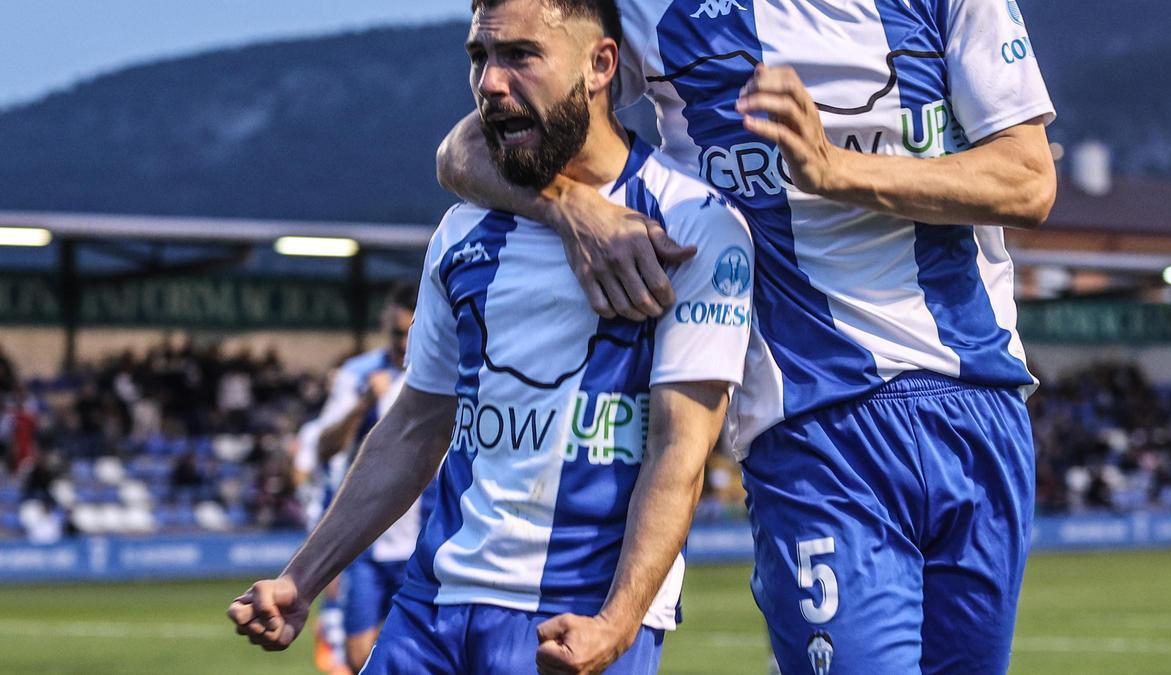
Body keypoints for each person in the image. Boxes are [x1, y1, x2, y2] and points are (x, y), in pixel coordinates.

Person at [437, 0, 1058, 672]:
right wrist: (571, 209)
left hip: (980, 406)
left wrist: (834, 171)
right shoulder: (654, 11)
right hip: (813, 424)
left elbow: (1027, 180)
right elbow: (465, 149)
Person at [228, 0, 755, 673]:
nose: (491, 84)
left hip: (569, 620)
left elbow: (679, 449)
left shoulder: (694, 227)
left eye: (521, 56)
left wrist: (617, 624)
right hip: (432, 605)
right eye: (480, 57)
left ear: (601, 66)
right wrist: (300, 578)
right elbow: (415, 424)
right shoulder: (463, 230)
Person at [298, 289, 426, 673]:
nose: (403, 344)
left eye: (411, 334)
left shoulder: (442, 372)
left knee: (421, 652)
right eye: (396, 334)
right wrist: (364, 402)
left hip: (423, 538)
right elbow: (323, 447)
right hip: (367, 543)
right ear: (386, 326)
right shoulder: (358, 375)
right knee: (358, 658)